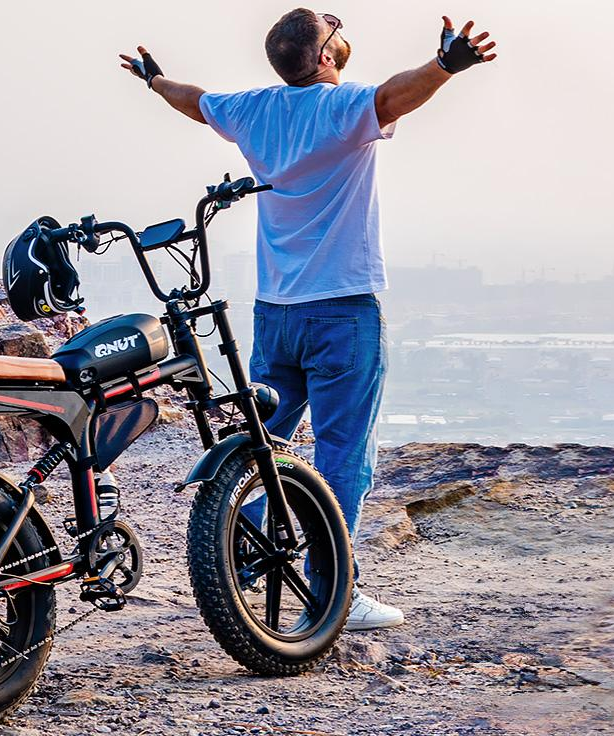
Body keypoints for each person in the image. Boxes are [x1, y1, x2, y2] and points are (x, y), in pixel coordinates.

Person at [119, 9, 497, 630]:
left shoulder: (253, 110)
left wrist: (154, 80)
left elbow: (194, 100)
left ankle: (237, 556)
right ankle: (334, 592)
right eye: (331, 26)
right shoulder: (343, 108)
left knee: (260, 444)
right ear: (325, 57)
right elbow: (395, 94)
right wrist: (447, 66)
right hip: (344, 310)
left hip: (275, 313)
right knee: (344, 454)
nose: (339, 27)